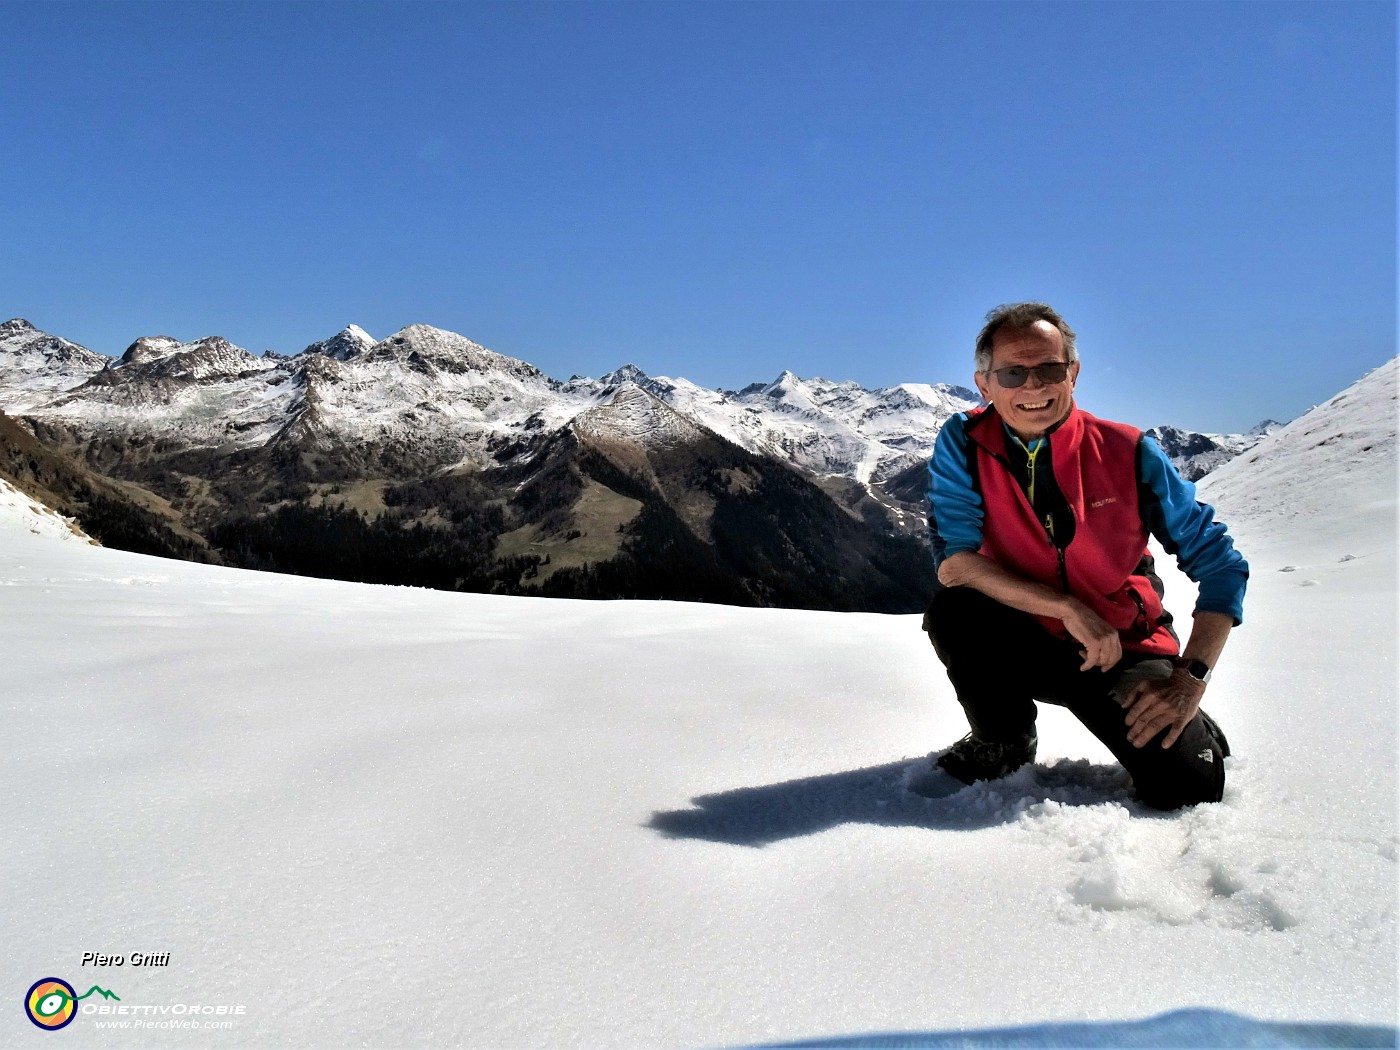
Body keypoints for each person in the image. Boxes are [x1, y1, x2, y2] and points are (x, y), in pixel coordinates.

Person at [923, 302, 1247, 810]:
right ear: (984, 384)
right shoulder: (963, 444)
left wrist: (1188, 681)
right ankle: (1004, 740)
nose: (1033, 387)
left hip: (1122, 649)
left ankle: (1182, 716)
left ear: (1072, 374)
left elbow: (1222, 567)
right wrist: (1068, 609)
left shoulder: (1128, 451)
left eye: (1049, 369)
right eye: (1013, 373)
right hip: (1028, 635)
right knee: (956, 610)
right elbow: (956, 563)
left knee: (1187, 789)